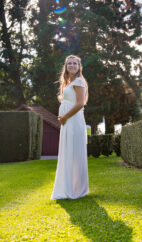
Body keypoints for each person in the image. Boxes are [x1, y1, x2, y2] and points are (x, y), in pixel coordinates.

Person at [51, 55, 89, 200]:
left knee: (74, 154)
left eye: (75, 63)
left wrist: (65, 116)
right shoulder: (68, 82)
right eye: (69, 63)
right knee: (68, 153)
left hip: (73, 121)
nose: (72, 65)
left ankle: (76, 190)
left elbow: (80, 104)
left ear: (79, 66)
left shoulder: (79, 81)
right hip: (68, 122)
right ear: (66, 66)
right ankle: (69, 187)